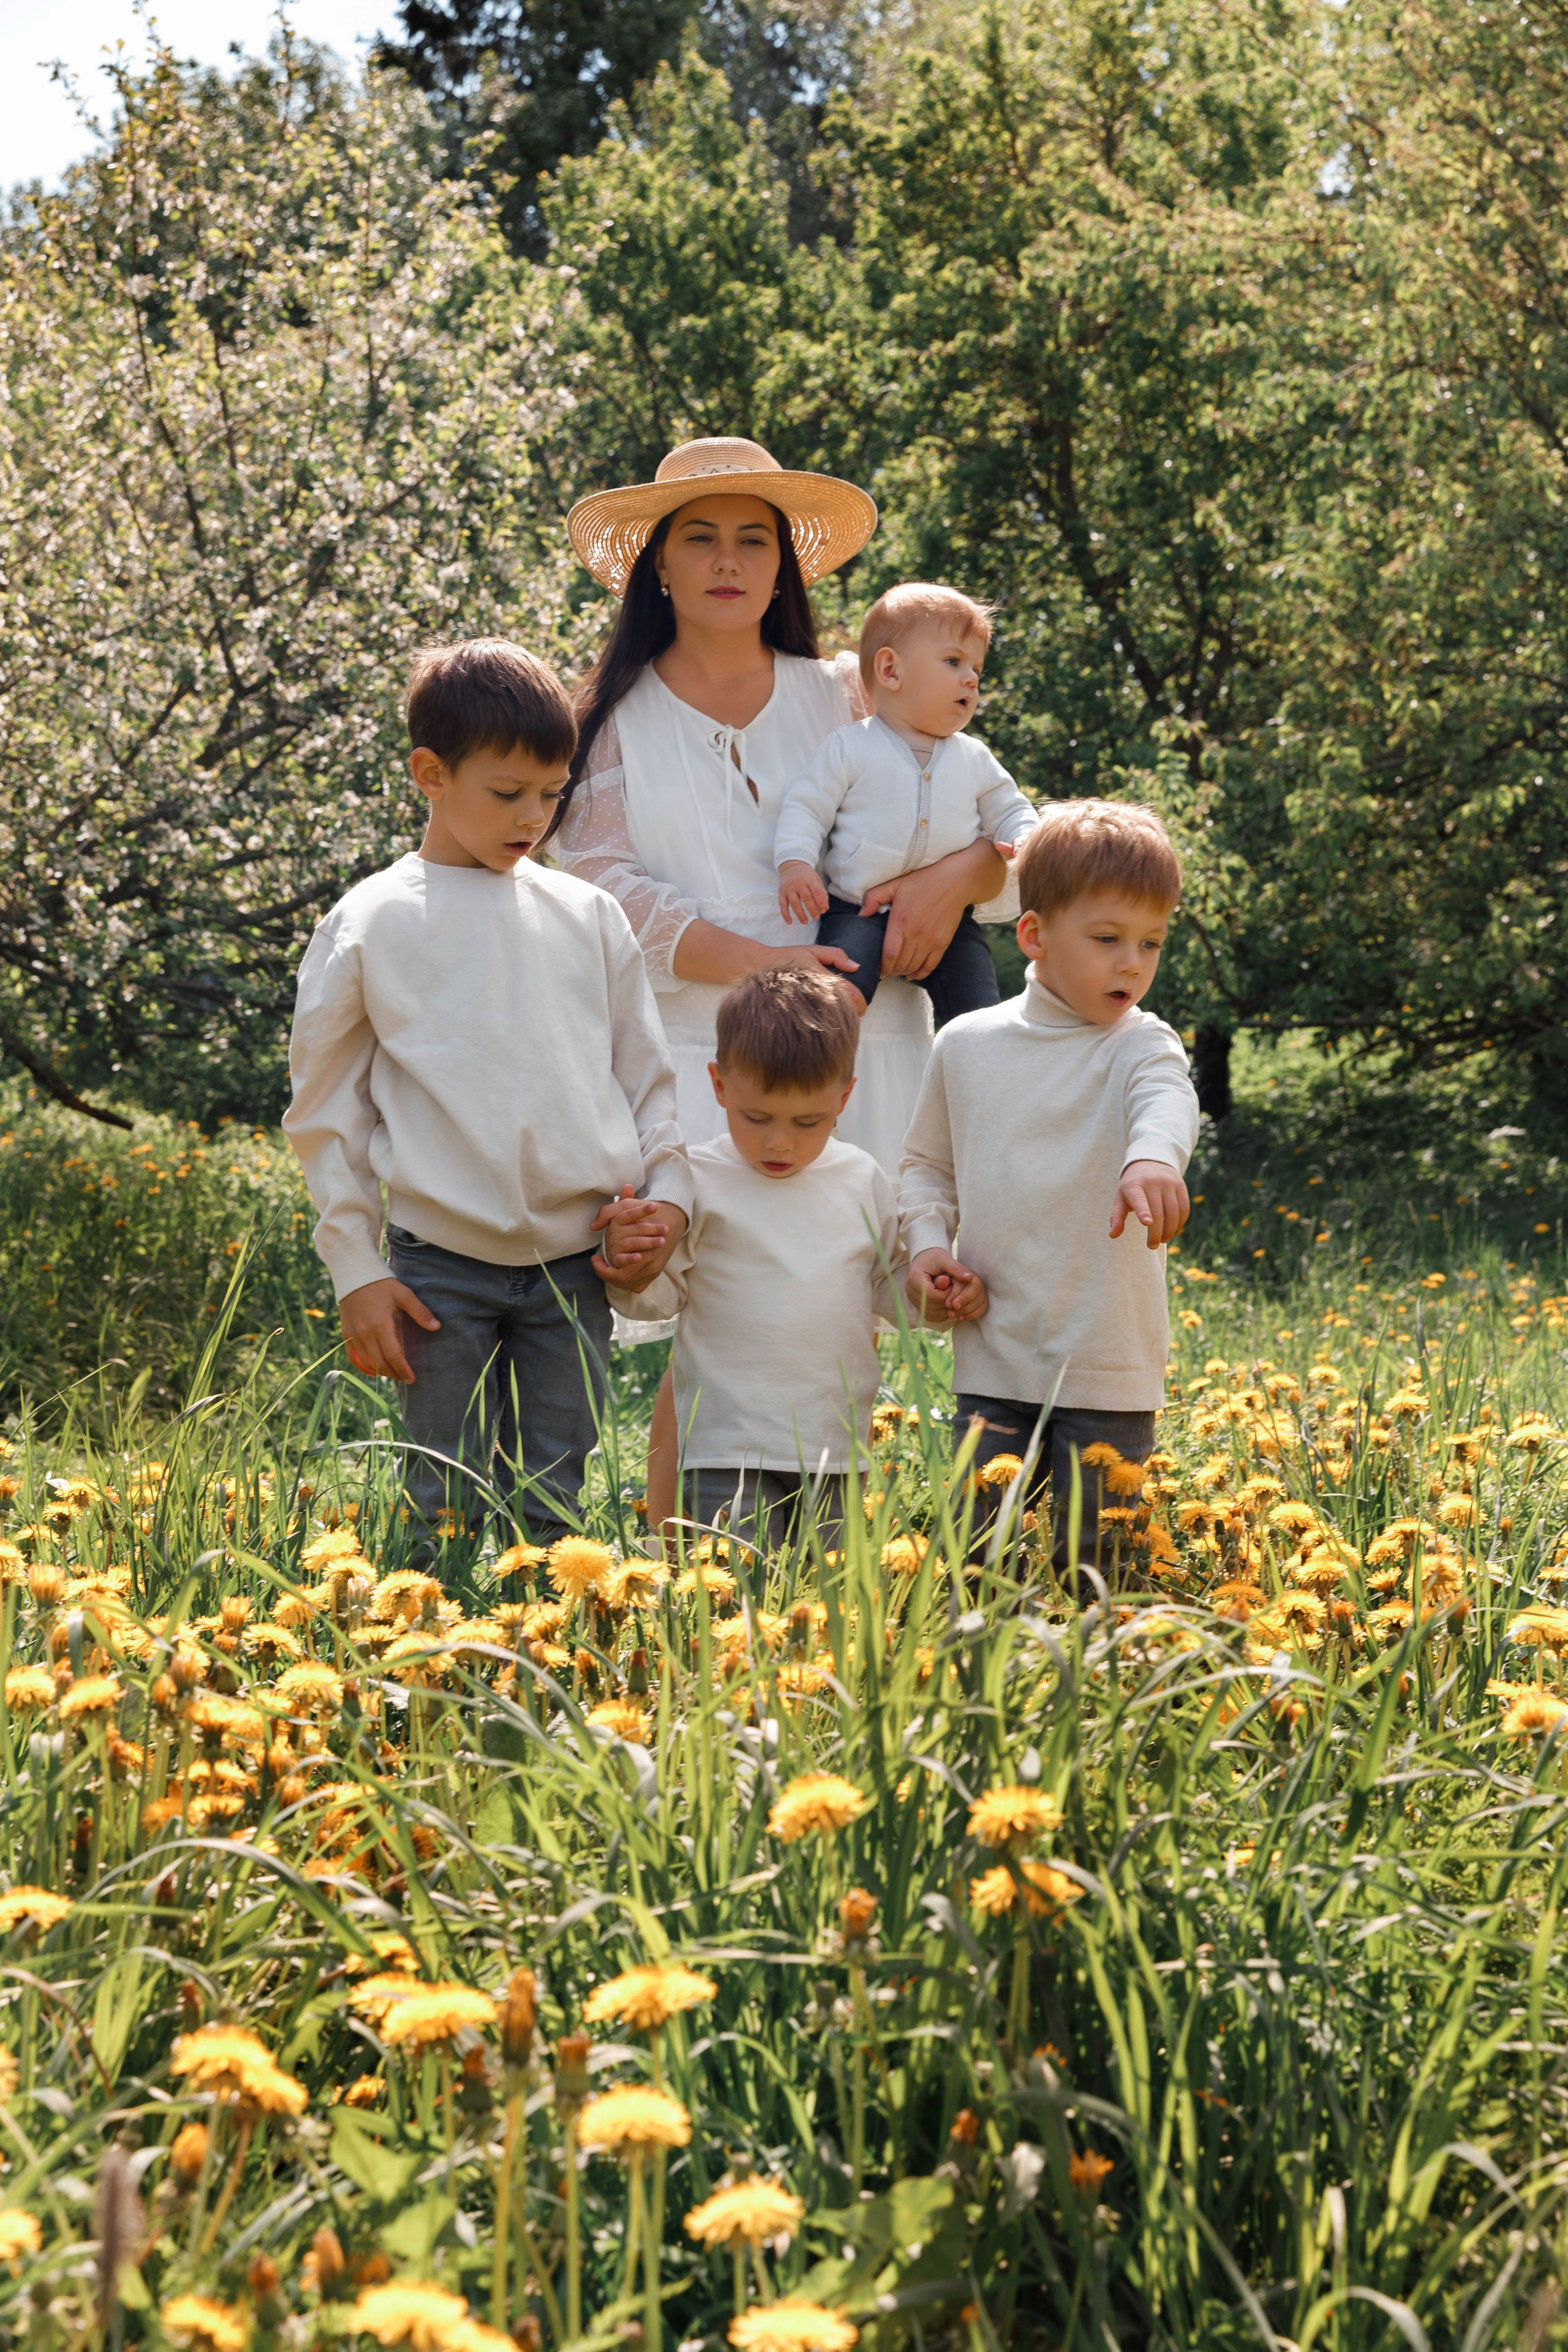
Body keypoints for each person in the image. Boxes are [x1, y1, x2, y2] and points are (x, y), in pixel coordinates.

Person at [556, 437, 1006, 1531]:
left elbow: (998, 828)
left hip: (874, 1041)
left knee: (920, 1291)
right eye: (699, 538)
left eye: (753, 539)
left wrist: (948, 884)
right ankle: (677, 1576)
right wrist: (766, 965)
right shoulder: (611, 720)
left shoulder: (853, 690)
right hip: (714, 1058)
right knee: (718, 1321)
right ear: (655, 565)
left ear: (784, 566)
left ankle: (963, 1558)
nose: (727, 561)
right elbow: (606, 887)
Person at [284, 639, 692, 1551]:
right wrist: (358, 1269)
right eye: (507, 794)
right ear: (431, 772)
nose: (533, 820)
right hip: (439, 1274)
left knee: (556, 1499)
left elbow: (649, 1083)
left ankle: (554, 1671)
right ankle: (438, 1675)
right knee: (444, 1501)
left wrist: (664, 1204)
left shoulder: (587, 916)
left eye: (551, 795)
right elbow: (325, 1115)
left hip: (576, 1268)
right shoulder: (374, 921)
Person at [897, 799, 1200, 1568]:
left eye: (1150, 943)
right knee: (976, 1558)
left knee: (1103, 1563)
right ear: (1032, 935)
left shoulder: (1142, 1045)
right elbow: (926, 1169)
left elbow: (1167, 1099)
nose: (1131, 962)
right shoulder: (965, 1046)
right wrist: (930, 1250)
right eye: (1107, 939)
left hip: (1107, 1358)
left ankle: (1106, 1679)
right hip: (994, 1354)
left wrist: (1154, 1159)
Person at [608, 966, 903, 1558]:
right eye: (757, 1117)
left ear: (845, 1097)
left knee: (827, 1607)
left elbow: (890, 1292)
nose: (779, 1144)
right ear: (719, 1085)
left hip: (835, 1448)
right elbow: (661, 1298)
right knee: (733, 1600)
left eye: (807, 1123)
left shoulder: (861, 1179)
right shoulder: (696, 1178)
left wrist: (938, 1291)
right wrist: (631, 1270)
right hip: (726, 1445)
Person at [774, 582, 1036, 1026]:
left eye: (976, 667)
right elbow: (806, 807)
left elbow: (1009, 808)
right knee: (836, 1000)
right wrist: (795, 863)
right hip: (857, 908)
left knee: (978, 1017)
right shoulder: (850, 746)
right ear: (891, 670)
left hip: (950, 921)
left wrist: (1028, 839)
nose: (971, 678)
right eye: (954, 662)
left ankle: (976, 1083)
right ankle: (816, 1077)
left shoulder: (973, 757)